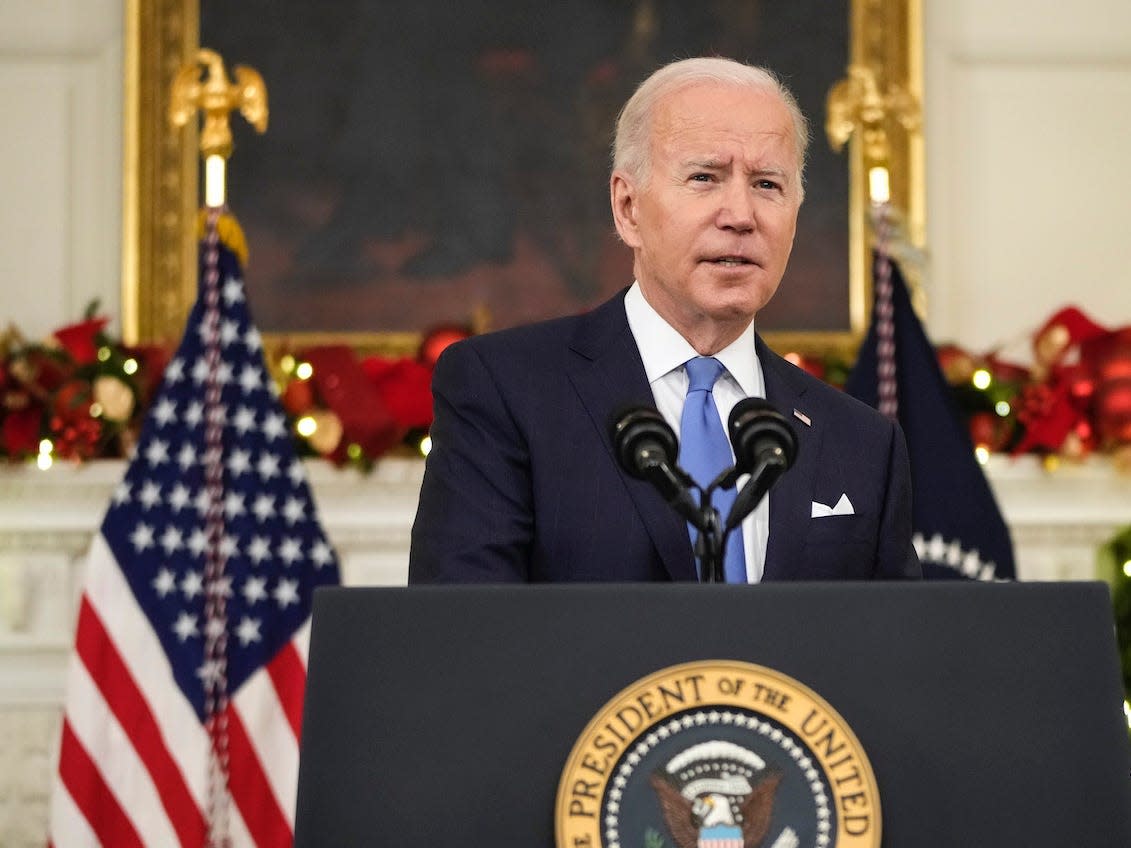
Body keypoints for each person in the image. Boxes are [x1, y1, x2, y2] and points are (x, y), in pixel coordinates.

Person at [408, 57, 921, 583]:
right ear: (627, 208)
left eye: (768, 184)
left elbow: (893, 654)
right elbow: (461, 637)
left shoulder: (862, 443)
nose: (741, 216)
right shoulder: (506, 391)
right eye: (705, 178)